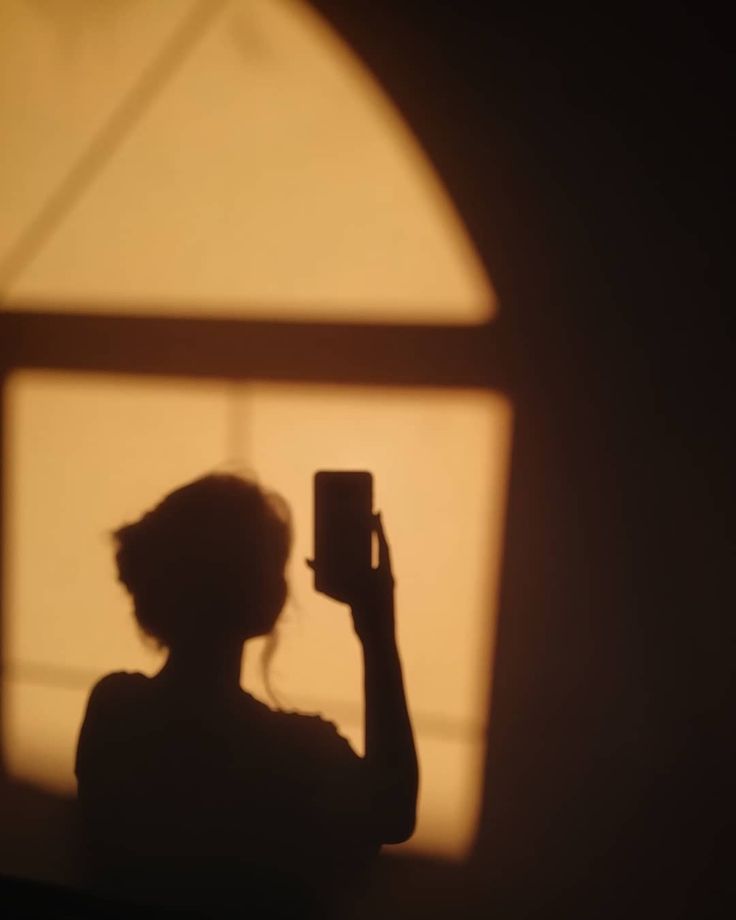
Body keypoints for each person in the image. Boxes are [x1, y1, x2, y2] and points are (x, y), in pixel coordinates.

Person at [75, 473, 418, 917]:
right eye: (274, 563)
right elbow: (392, 814)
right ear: (264, 592)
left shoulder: (113, 710)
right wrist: (377, 630)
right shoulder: (298, 754)